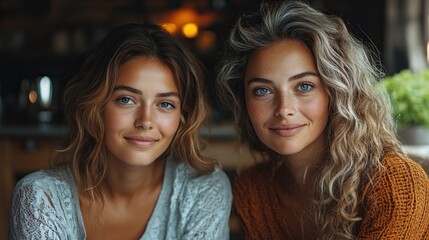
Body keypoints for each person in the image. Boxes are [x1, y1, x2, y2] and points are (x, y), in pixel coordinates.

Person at [216, 1, 429, 239]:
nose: (284, 109)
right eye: (262, 91)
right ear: (243, 101)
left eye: (304, 86)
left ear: (337, 92)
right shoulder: (254, 191)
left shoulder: (394, 184)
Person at [10, 23, 232, 239]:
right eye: (126, 100)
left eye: (165, 104)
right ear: (94, 107)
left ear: (182, 118)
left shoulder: (204, 190)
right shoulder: (41, 197)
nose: (146, 121)